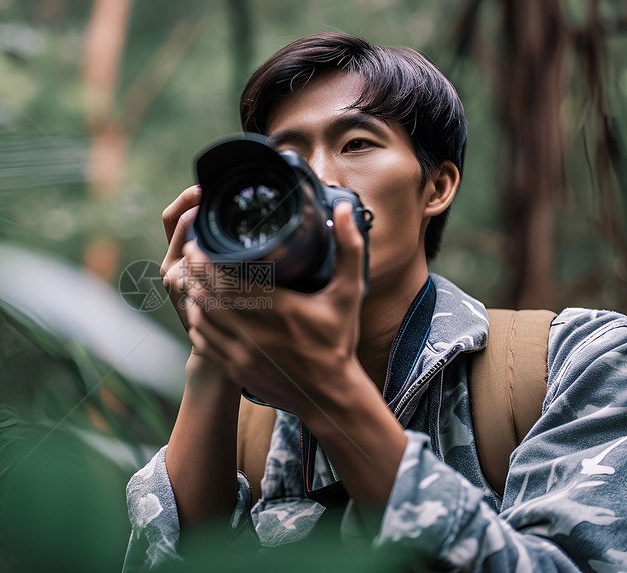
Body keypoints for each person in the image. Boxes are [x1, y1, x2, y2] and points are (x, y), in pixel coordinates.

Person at [124, 32, 627, 571]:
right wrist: (213, 351)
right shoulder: (247, 425)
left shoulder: (579, 362)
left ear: (436, 186)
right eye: (288, 158)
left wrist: (329, 390)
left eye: (357, 144)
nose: (317, 179)